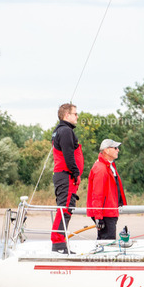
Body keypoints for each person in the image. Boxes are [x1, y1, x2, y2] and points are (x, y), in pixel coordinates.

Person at [51, 103, 84, 254]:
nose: (77, 116)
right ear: (66, 115)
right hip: (66, 176)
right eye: (75, 114)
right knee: (65, 208)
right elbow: (68, 155)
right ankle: (58, 244)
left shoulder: (60, 130)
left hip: (63, 176)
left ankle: (59, 242)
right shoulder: (65, 131)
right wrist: (76, 173)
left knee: (66, 207)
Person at [87, 139, 127, 240]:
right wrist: (98, 217)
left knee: (106, 241)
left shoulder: (109, 165)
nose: (118, 150)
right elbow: (97, 195)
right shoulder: (101, 168)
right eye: (115, 148)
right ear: (106, 150)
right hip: (105, 213)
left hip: (110, 211)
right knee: (107, 242)